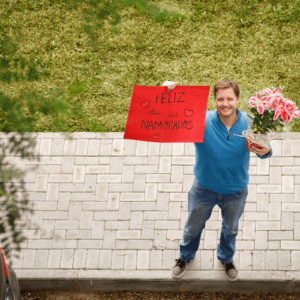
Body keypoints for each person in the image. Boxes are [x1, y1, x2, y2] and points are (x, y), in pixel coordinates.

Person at [162, 79, 272, 281]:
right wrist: (169, 93)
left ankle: (226, 258)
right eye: (220, 99)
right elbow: (172, 118)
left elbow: (264, 149)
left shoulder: (251, 123)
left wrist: (266, 151)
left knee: (230, 229)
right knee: (193, 227)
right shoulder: (200, 122)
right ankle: (185, 257)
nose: (225, 103)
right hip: (204, 189)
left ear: (238, 99)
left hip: (236, 191)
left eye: (230, 98)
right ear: (214, 101)